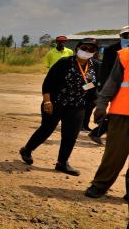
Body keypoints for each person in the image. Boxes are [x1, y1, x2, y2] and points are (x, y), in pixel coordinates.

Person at [19, 38, 100, 176]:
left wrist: (97, 101)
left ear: (95, 52)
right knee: (47, 129)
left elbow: (94, 86)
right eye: (84, 48)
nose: (87, 51)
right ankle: (27, 149)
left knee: (71, 135)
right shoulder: (65, 62)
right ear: (78, 48)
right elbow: (48, 82)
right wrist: (47, 102)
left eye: (91, 49)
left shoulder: (96, 66)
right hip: (56, 103)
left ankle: (62, 163)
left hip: (77, 106)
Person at [84, 44, 129, 198]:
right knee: (115, 153)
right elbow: (113, 81)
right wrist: (101, 105)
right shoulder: (125, 55)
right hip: (123, 113)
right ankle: (100, 185)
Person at [88, 25, 129, 144]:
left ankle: (97, 132)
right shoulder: (111, 49)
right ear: (120, 36)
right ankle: (98, 132)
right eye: (126, 35)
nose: (128, 37)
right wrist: (102, 89)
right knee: (117, 112)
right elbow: (105, 69)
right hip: (114, 87)